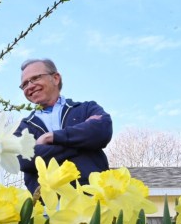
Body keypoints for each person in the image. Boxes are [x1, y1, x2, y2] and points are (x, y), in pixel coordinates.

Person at [14, 58, 112, 195]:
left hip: (93, 196)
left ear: (55, 78)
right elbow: (23, 160)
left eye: (35, 78)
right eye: (24, 84)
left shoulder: (86, 109)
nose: (29, 86)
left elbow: (101, 132)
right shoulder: (24, 127)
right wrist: (82, 143)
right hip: (49, 205)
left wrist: (51, 137)